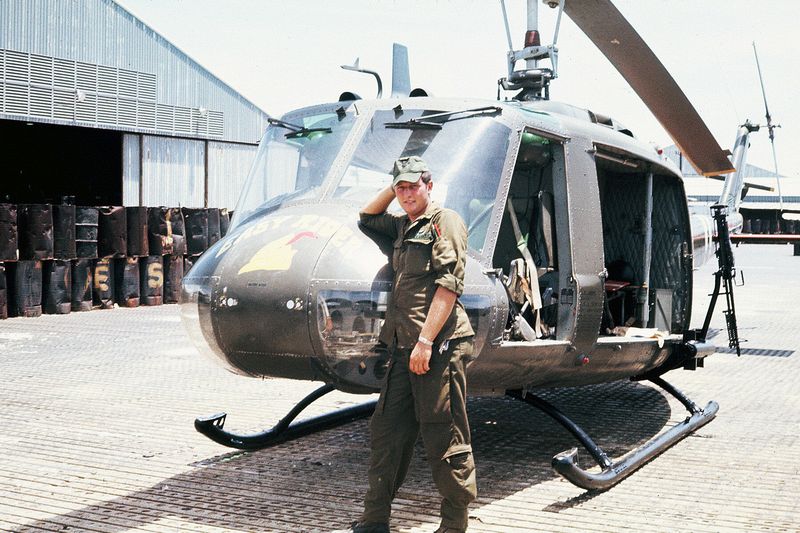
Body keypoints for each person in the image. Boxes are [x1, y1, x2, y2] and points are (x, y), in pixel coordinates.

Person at [342, 156, 476, 533]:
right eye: (400, 189)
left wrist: (426, 341)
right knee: (387, 431)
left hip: (438, 345)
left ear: (429, 186)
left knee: (443, 432)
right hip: (404, 347)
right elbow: (366, 217)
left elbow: (449, 286)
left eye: (413, 187)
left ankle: (454, 526)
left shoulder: (445, 221)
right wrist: (394, 186)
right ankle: (374, 521)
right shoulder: (402, 224)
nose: (406, 195)